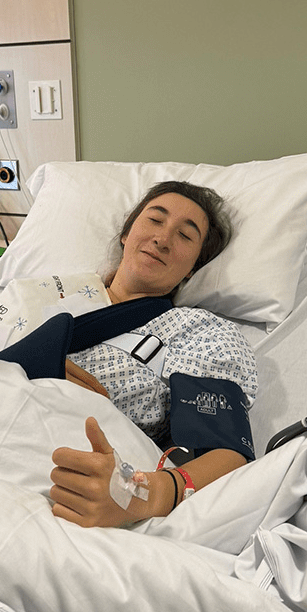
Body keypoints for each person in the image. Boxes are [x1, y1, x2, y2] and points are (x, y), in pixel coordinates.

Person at [46, 180, 257, 530]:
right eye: (155, 220)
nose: (162, 239)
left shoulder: (195, 331)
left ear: (193, 268)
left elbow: (227, 453)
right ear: (126, 234)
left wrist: (139, 494)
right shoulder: (45, 295)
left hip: (65, 480)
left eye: (185, 235)